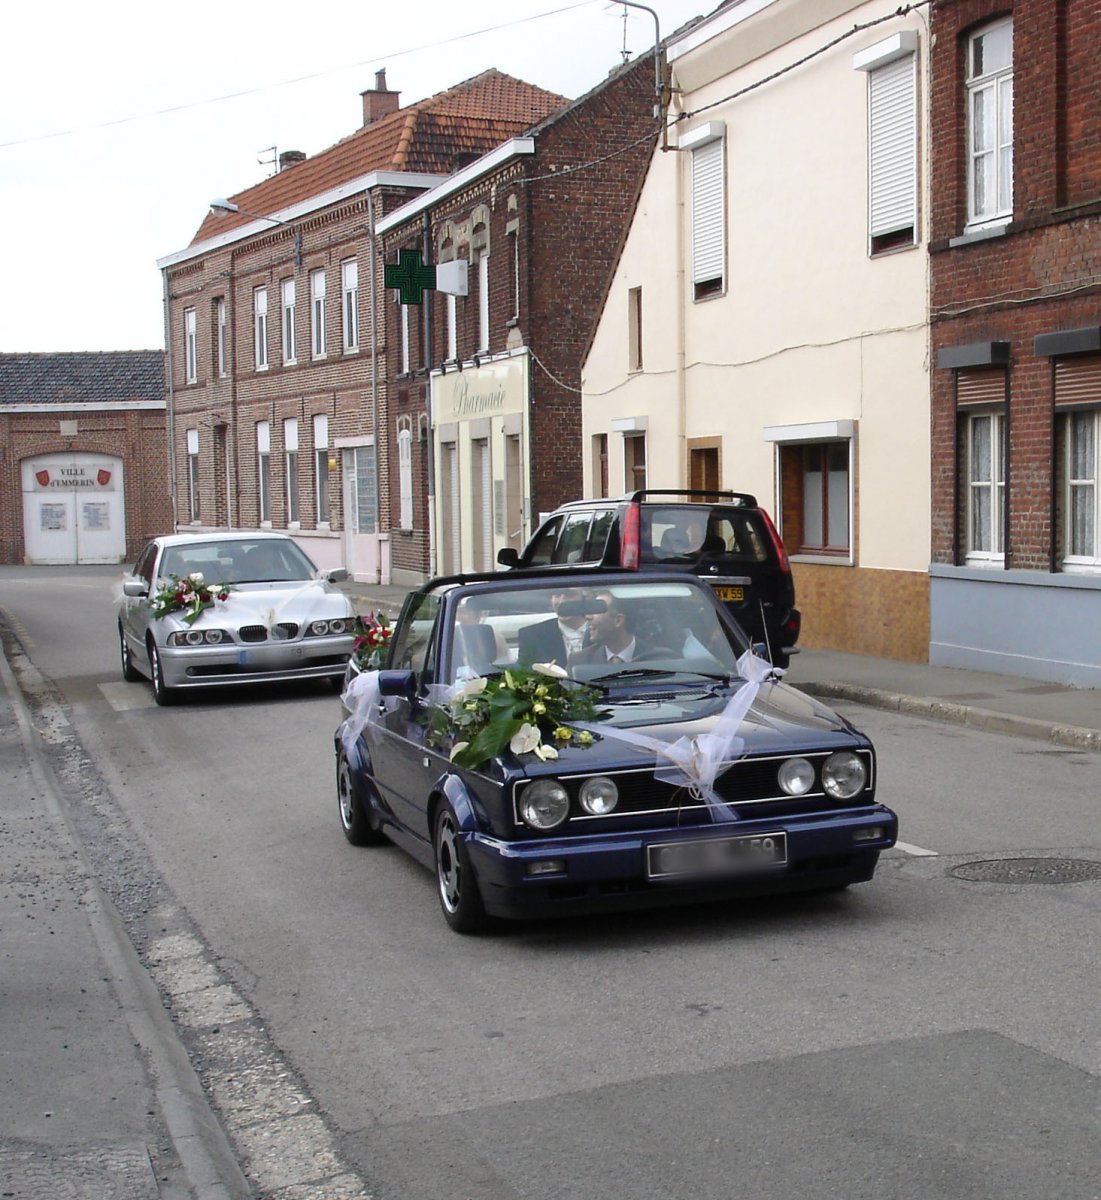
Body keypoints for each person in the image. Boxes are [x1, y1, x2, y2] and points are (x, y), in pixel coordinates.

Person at [570, 591, 673, 667]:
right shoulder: (579, 662)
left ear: (618, 620)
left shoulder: (660, 661)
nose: (588, 616)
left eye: (597, 610)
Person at [517, 587, 589, 668]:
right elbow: (525, 672)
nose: (561, 602)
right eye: (557, 595)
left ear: (586, 598)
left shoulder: (600, 631)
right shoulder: (532, 635)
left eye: (569, 594)